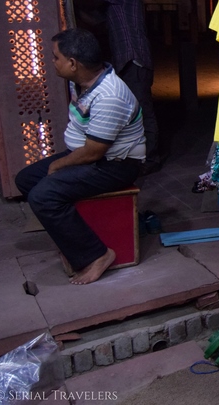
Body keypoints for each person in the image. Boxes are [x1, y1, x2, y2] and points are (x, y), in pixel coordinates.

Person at [15, 29, 145, 285]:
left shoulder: (110, 95)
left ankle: (98, 255)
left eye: (56, 57)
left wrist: (58, 165)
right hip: (88, 155)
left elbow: (94, 151)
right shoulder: (83, 80)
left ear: (73, 63)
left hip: (115, 165)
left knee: (42, 196)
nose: (52, 62)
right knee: (26, 180)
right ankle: (72, 234)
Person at [77, 0, 160, 172]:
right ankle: (137, 157)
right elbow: (94, 19)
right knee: (132, 112)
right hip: (125, 61)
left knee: (143, 111)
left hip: (135, 59)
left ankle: (151, 159)